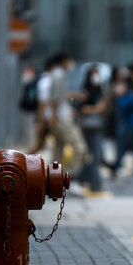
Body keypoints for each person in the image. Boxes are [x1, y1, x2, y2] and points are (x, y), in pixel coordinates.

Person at [48, 52, 88, 192]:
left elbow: (60, 96)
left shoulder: (57, 74)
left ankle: (52, 182)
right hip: (61, 119)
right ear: (64, 60)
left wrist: (75, 97)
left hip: (59, 117)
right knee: (80, 148)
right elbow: (54, 98)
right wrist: (53, 117)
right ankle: (69, 178)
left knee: (57, 152)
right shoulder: (58, 74)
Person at [109, 69, 133, 178]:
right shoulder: (132, 94)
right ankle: (118, 167)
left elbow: (123, 106)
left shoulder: (131, 95)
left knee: (128, 149)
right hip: (129, 125)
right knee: (129, 149)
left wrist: (118, 96)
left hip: (130, 126)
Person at [79, 64, 108, 192]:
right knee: (95, 156)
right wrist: (97, 108)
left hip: (98, 126)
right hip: (89, 127)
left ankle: (80, 177)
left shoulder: (99, 90)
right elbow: (82, 109)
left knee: (97, 156)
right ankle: (95, 185)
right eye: (94, 73)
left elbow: (104, 108)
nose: (96, 76)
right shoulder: (86, 91)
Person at [28, 56, 57, 154]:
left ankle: (23, 162)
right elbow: (42, 103)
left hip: (47, 118)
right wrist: (40, 122)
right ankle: (22, 162)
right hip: (47, 119)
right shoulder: (46, 82)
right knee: (39, 144)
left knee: (40, 145)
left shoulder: (48, 80)